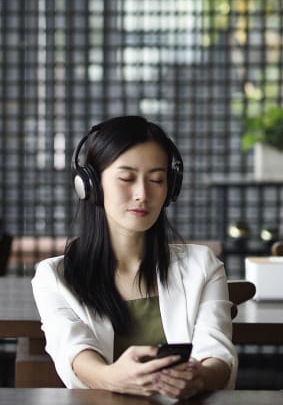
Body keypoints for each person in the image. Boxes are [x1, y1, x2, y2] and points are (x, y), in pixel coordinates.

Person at [31, 115, 236, 398]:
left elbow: (218, 354)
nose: (142, 194)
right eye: (126, 178)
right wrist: (110, 377)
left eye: (156, 180)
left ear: (171, 189)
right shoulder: (54, 277)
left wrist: (199, 377)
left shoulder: (202, 266)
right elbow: (72, 350)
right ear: (90, 185)